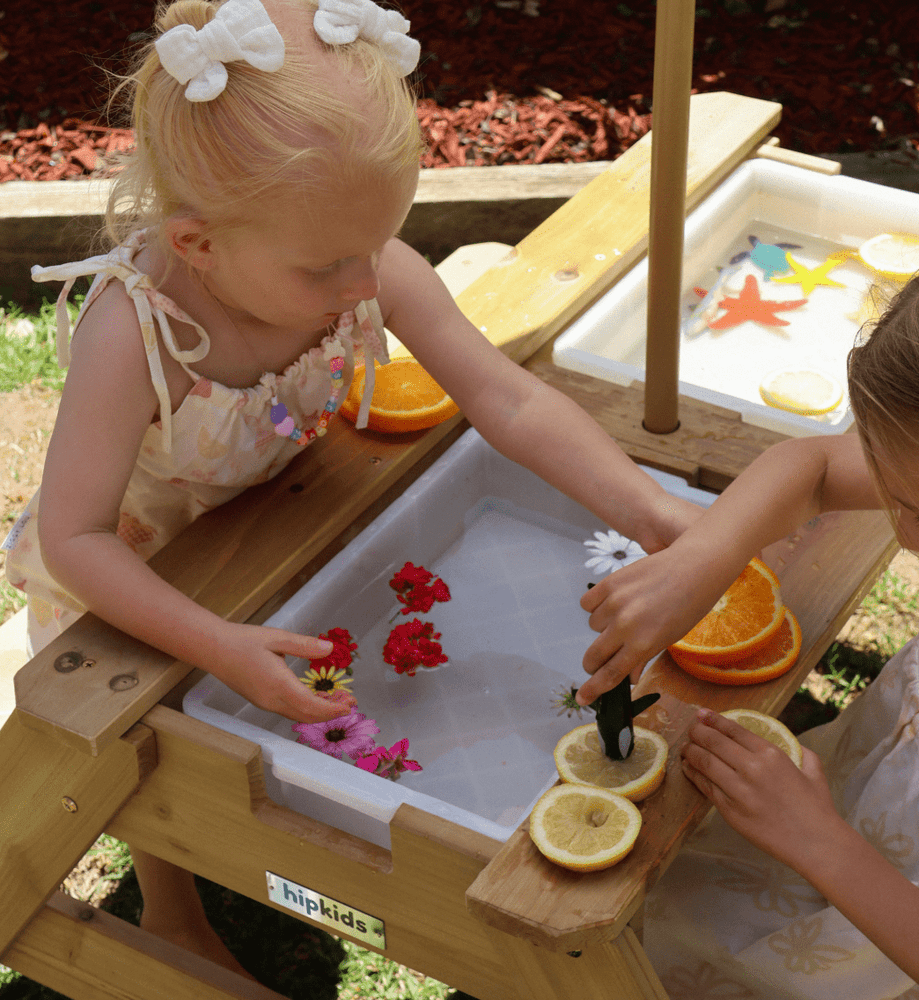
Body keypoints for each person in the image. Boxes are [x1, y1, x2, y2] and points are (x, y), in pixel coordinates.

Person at [4, 0, 701, 976]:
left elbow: (506, 398)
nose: (364, 283)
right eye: (327, 266)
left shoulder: (355, 263)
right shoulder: (134, 333)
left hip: (280, 526)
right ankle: (168, 904)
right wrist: (217, 646)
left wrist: (654, 512)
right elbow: (78, 538)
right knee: (149, 755)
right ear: (199, 245)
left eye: (379, 244)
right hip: (141, 576)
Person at [577, 219, 919, 999]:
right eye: (897, 502)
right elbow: (811, 466)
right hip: (844, 817)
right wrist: (701, 563)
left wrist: (822, 847)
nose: (905, 538)